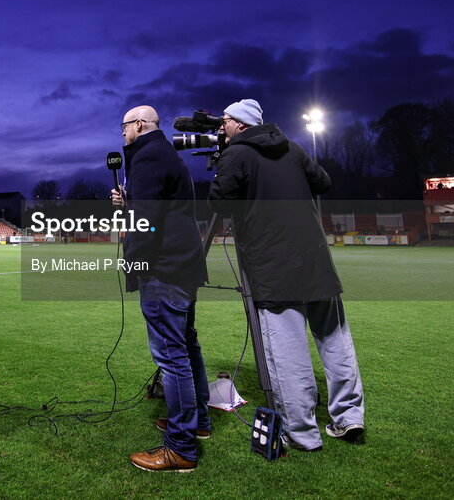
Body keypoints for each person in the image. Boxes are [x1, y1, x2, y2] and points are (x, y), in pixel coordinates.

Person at [208, 99, 365, 451]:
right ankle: (349, 417)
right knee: (337, 345)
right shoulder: (293, 148)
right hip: (317, 263)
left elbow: (219, 202)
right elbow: (322, 181)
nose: (221, 128)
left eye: (225, 121)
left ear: (242, 125)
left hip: (275, 269)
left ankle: (302, 433)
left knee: (288, 353)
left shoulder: (238, 153)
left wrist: (225, 166)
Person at [111, 105, 210, 472]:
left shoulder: (148, 156)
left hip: (164, 269)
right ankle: (197, 423)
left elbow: (147, 224)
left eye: (124, 126)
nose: (122, 133)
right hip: (183, 266)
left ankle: (180, 448)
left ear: (138, 125)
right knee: (186, 346)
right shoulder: (164, 153)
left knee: (172, 357)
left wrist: (133, 264)